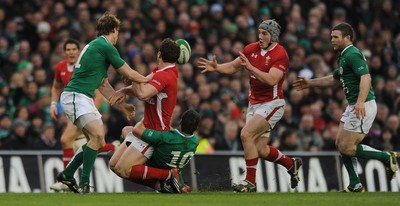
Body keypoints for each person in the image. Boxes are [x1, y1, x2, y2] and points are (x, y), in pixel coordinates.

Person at [198, 19, 302, 192]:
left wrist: (251, 68)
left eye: (264, 33)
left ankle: (250, 182)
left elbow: (271, 80)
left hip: (273, 103)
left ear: (273, 36)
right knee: (260, 149)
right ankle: (291, 164)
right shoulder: (251, 48)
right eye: (259, 32)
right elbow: (232, 67)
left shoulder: (280, 54)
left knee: (246, 134)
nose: (260, 36)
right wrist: (216, 68)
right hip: (254, 103)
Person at [293, 22, 399, 192]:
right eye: (331, 36)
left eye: (335, 37)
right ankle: (355, 184)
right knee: (340, 144)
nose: (332, 40)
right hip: (354, 104)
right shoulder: (343, 56)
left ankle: (387, 157)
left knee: (347, 147)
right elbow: (334, 79)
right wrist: (310, 83)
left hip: (362, 105)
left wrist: (359, 102)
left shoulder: (353, 54)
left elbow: (366, 78)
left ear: (347, 38)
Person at [56, 12, 150, 194]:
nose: (118, 36)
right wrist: (151, 80)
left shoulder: (96, 47)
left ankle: (67, 175)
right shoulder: (105, 45)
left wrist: (123, 106)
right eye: (118, 32)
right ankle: (84, 183)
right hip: (76, 96)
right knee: (98, 135)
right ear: (113, 30)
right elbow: (129, 73)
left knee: (97, 141)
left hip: (81, 97)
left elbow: (103, 85)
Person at [107, 38, 183, 192]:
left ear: (159, 54)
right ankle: (159, 185)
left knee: (123, 169)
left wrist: (132, 75)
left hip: (154, 132)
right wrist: (124, 90)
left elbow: (142, 94)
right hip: (146, 127)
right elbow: (142, 84)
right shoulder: (160, 71)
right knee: (114, 165)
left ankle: (168, 175)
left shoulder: (165, 76)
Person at [49, 39, 118, 192]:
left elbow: (99, 96)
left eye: (74, 49)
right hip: (74, 107)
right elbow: (55, 86)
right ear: (64, 52)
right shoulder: (60, 67)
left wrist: (88, 113)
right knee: (95, 141)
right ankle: (114, 147)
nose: (71, 52)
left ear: (79, 51)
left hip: (85, 108)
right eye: (68, 49)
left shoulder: (85, 67)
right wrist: (53, 104)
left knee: (67, 139)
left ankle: (67, 179)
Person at [111, 109, 200, 193]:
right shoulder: (195, 142)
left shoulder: (165, 137)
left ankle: (167, 176)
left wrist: (148, 116)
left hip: (154, 167)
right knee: (127, 132)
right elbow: (176, 137)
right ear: (196, 128)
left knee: (126, 131)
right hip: (174, 168)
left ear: (180, 122)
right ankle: (161, 185)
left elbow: (137, 130)